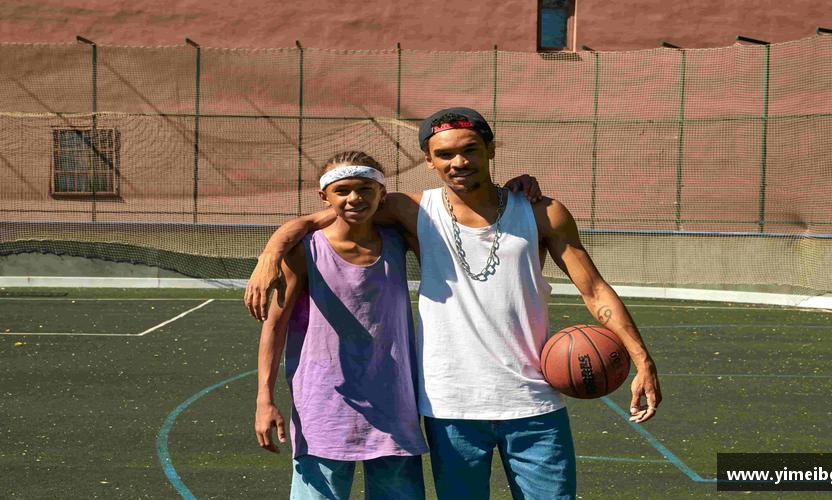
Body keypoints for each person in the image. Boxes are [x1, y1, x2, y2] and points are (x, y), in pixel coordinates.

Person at [248, 108, 661, 499]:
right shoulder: (412, 210)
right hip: (451, 405)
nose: (459, 162)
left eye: (470, 150)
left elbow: (594, 289)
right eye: (445, 154)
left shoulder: (541, 213)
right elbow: (334, 211)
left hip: (534, 400)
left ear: (490, 150)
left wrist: (642, 360)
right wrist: (271, 252)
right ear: (429, 160)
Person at [254, 151, 428, 499]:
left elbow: (457, 206)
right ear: (324, 195)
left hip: (393, 401)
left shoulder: (400, 240)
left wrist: (515, 191)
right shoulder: (306, 250)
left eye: (365, 188)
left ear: (382, 193)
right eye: (342, 190)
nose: (354, 198)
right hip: (324, 404)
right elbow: (274, 327)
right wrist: (264, 399)